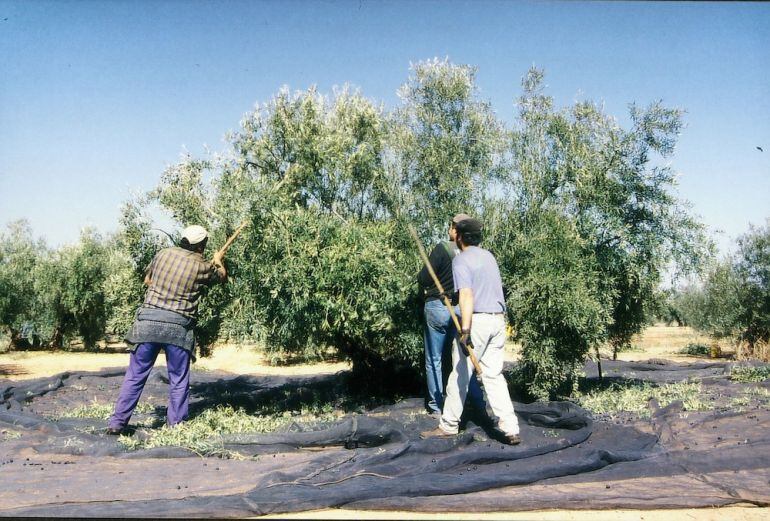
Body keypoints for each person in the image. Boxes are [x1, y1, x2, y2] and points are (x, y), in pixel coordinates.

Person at [106, 225, 226, 435]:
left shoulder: (162, 254)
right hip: (178, 329)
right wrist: (218, 261)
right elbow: (221, 278)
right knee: (178, 380)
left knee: (135, 376)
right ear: (202, 246)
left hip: (147, 325)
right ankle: (175, 428)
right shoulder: (203, 266)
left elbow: (147, 280)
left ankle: (117, 424)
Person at [421, 217, 521, 445]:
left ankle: (448, 425)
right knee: (493, 375)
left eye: (454, 231)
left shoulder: (461, 259)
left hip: (476, 322)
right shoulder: (489, 257)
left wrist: (465, 329)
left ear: (459, 236)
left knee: (459, 374)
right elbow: (481, 289)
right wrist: (452, 297)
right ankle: (511, 428)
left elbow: (467, 294)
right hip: (497, 321)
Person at [419, 214, 486, 417]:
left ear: (456, 231)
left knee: (434, 359)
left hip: (438, 307)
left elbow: (423, 278)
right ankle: (477, 403)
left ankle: (436, 406)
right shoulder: (474, 254)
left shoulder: (442, 248)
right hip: (460, 309)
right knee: (463, 357)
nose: (449, 230)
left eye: (451, 227)